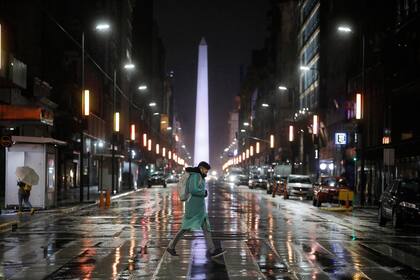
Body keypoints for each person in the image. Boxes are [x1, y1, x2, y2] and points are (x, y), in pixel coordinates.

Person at [167, 161, 226, 258]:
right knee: (185, 227)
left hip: (199, 207)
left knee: (206, 227)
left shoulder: (199, 176)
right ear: (202, 168)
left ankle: (212, 250)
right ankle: (171, 246)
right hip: (194, 207)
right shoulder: (196, 176)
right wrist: (204, 193)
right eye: (206, 170)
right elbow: (193, 189)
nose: (207, 172)